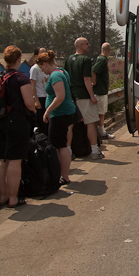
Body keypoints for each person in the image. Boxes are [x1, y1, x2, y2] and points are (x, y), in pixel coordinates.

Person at [0, 45, 35, 208]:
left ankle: (2, 196)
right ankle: (13, 198)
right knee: (15, 160)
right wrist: (32, 110)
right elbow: (29, 103)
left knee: (2, 158)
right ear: (18, 59)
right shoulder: (21, 77)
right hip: (16, 122)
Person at [37, 51, 77, 184]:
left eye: (41, 67)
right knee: (61, 144)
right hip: (64, 113)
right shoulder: (62, 72)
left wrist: (47, 111)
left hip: (60, 114)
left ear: (45, 64)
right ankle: (62, 174)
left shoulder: (55, 76)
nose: (42, 70)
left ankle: (64, 176)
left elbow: (60, 97)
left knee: (60, 145)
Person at [64, 37, 103, 159]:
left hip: (71, 95)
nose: (89, 45)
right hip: (83, 95)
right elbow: (87, 79)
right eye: (87, 44)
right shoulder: (86, 60)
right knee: (90, 122)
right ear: (81, 45)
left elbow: (66, 77)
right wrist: (92, 96)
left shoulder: (69, 59)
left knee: (70, 125)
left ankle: (68, 151)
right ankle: (94, 150)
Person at [91, 42, 115, 140]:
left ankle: (101, 131)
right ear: (109, 51)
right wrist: (94, 82)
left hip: (102, 91)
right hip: (100, 92)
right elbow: (93, 70)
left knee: (102, 112)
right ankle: (101, 133)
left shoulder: (101, 59)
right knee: (100, 113)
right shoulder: (102, 60)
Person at [29, 47, 49, 134]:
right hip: (40, 97)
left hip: (47, 97)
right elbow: (32, 85)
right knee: (41, 122)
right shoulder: (35, 69)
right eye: (42, 52)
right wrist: (36, 100)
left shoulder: (47, 67)